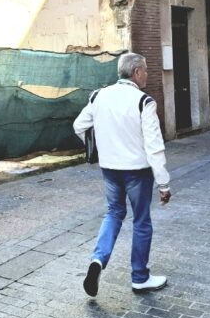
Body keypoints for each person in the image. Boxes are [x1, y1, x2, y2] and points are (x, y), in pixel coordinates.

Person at [73, 52, 172, 297]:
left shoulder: (98, 96)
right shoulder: (144, 101)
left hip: (109, 169)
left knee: (114, 213)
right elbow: (154, 146)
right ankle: (140, 277)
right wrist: (163, 183)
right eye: (145, 70)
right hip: (137, 171)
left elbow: (79, 126)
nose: (147, 74)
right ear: (136, 72)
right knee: (141, 221)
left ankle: (98, 260)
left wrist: (100, 149)